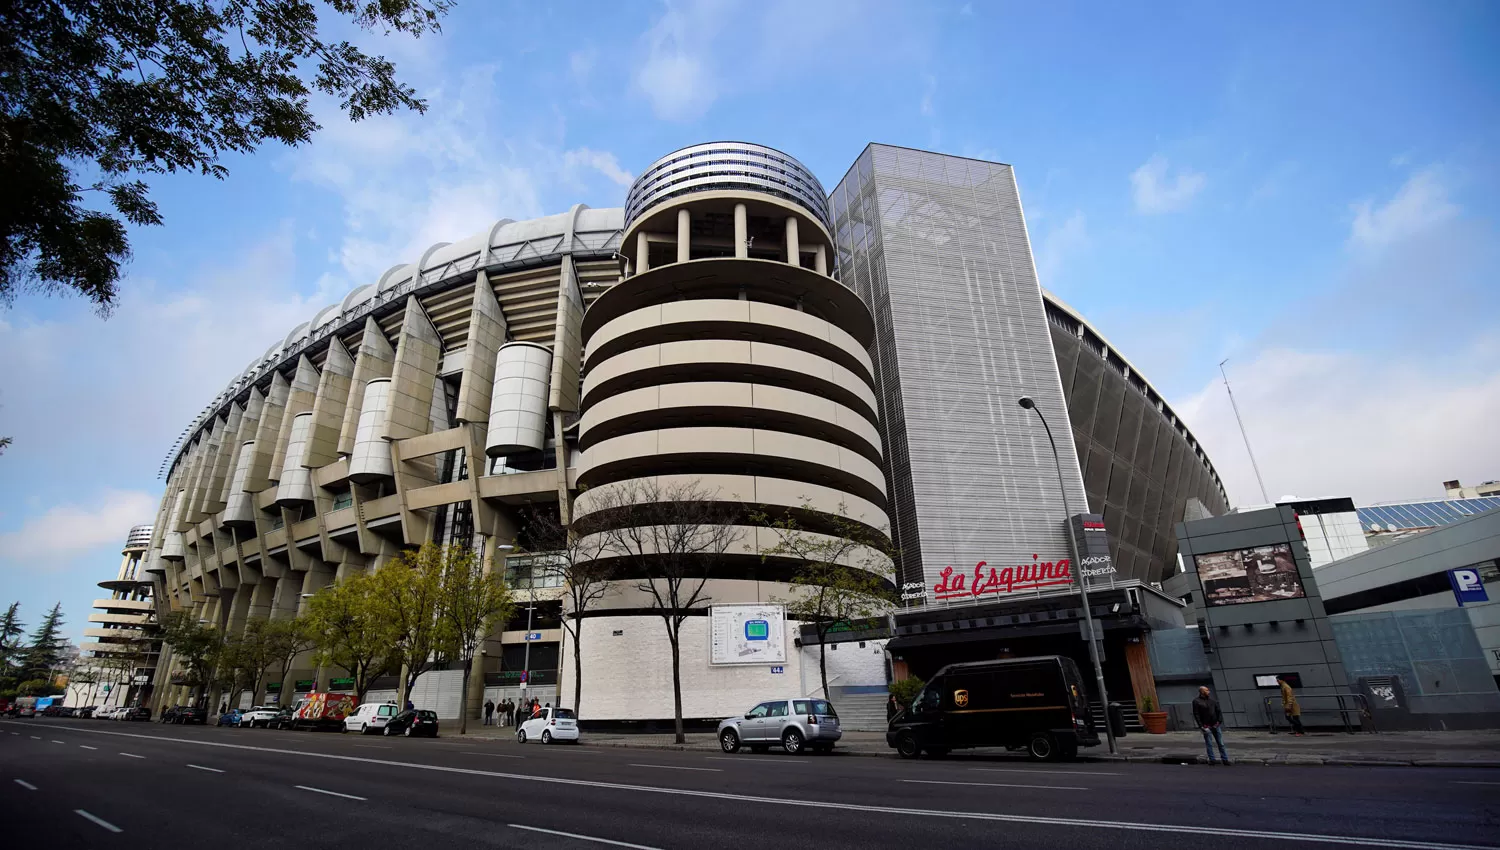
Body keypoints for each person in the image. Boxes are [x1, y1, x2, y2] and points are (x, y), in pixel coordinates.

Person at [1192, 685, 1230, 765]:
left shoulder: (1212, 701)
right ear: (1202, 692)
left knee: (1221, 743)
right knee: (1209, 743)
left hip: (1215, 724)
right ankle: (1212, 759)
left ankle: (1225, 759)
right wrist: (1201, 726)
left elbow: (1218, 712)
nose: (1208, 692)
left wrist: (1219, 722)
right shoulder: (1196, 701)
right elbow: (1196, 714)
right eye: (1206, 690)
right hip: (1206, 725)